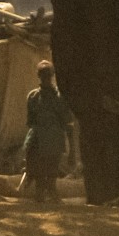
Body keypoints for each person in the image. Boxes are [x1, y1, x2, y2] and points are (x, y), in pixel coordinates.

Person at [21, 61, 76, 203]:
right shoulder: (33, 97)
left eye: (48, 75)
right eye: (42, 75)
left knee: (51, 179)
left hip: (54, 142)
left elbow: (68, 125)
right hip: (37, 141)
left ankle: (54, 206)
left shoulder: (59, 98)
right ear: (38, 76)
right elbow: (31, 123)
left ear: (52, 76)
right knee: (39, 182)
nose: (45, 78)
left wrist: (72, 152)